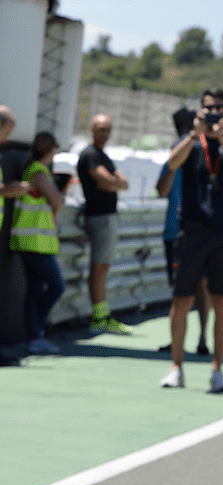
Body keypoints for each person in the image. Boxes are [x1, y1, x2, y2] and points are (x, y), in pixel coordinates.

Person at [158, 88, 223, 392]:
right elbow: (171, 163)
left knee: (221, 300)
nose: (213, 114)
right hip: (192, 230)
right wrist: (195, 135)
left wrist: (222, 140)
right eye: (208, 109)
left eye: (219, 109)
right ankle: (176, 367)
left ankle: (217, 370)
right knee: (181, 300)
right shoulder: (190, 143)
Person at [9, 132, 67, 355]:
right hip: (34, 241)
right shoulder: (40, 172)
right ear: (51, 150)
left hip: (31, 240)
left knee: (35, 289)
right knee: (56, 286)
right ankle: (35, 331)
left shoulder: (33, 170)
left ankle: (34, 336)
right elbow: (57, 201)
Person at [155, 122, 210, 358]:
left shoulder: (204, 160)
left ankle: (202, 337)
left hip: (200, 230)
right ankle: (175, 339)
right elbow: (162, 190)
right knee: (179, 290)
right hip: (174, 231)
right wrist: (172, 167)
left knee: (202, 286)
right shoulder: (174, 160)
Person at [77, 113, 131, 334]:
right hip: (99, 216)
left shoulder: (103, 156)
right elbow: (108, 182)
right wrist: (113, 183)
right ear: (91, 128)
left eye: (107, 129)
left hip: (107, 215)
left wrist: (114, 183)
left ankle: (103, 312)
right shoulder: (90, 155)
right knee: (99, 266)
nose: (104, 133)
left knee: (103, 265)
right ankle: (99, 315)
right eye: (100, 129)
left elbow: (123, 183)